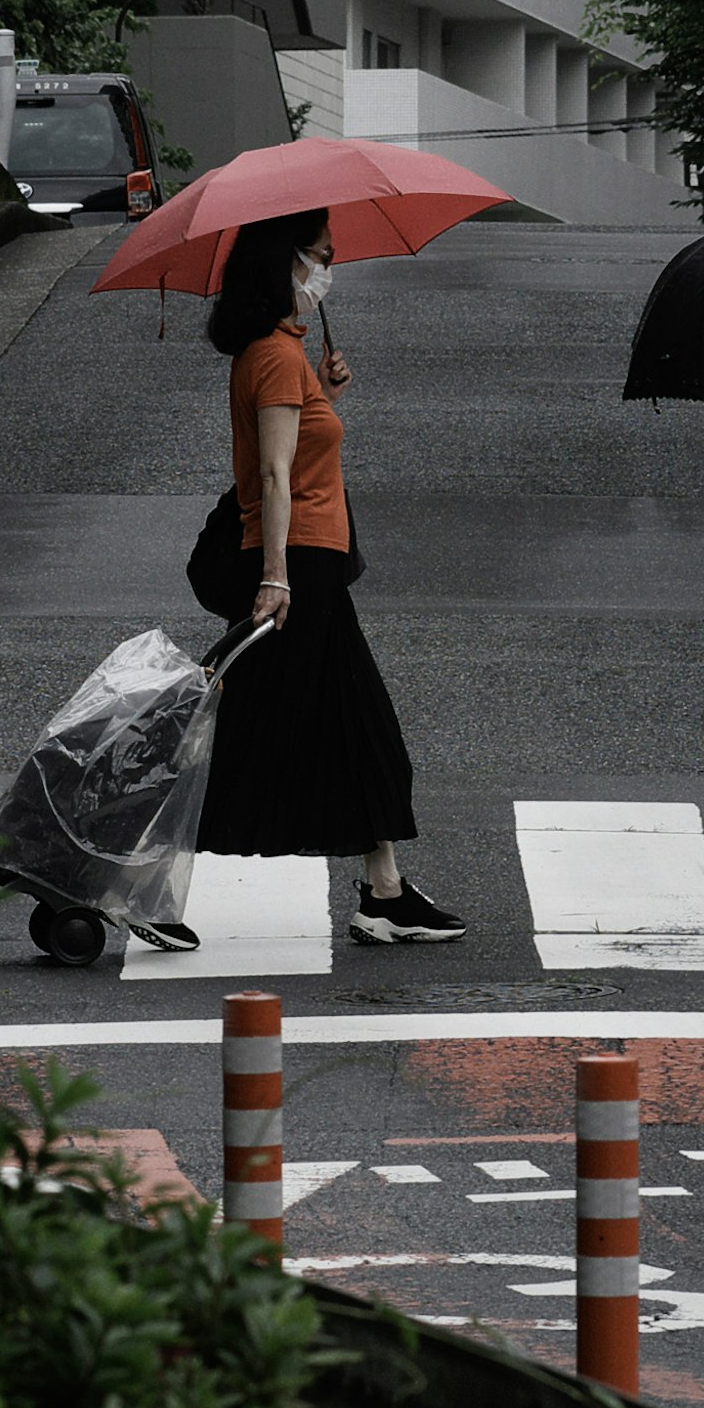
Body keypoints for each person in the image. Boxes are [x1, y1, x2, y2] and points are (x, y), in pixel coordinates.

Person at [197, 208, 461, 946]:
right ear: (283, 265)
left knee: (354, 728)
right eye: (318, 256)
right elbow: (275, 476)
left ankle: (384, 889)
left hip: (310, 566)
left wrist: (324, 396)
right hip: (298, 570)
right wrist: (277, 580)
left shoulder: (279, 353)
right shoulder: (275, 359)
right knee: (250, 735)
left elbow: (290, 453)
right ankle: (142, 866)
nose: (327, 272)